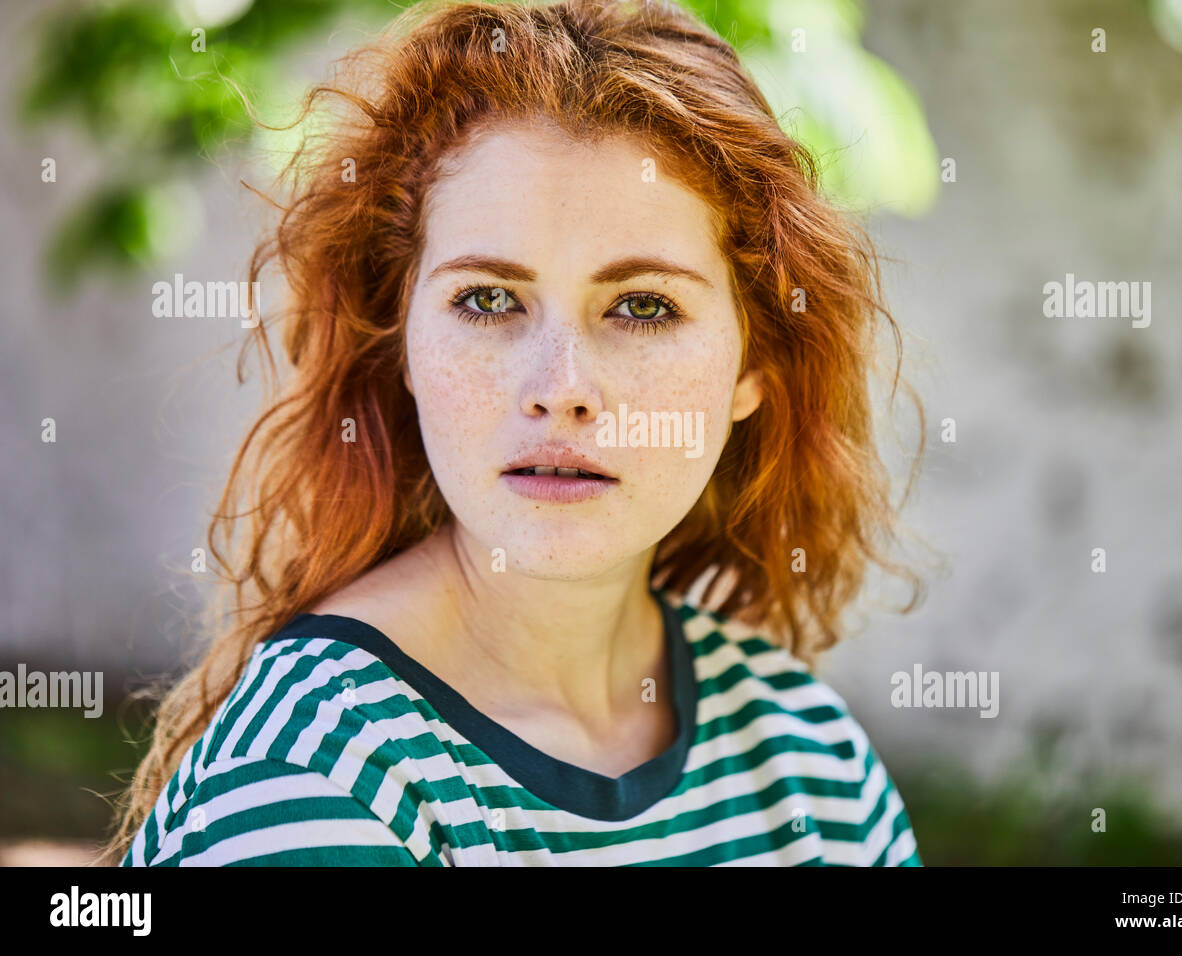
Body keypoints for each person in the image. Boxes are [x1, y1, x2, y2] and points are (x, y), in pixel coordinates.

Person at [102, 0, 927, 866]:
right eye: (488, 299)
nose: (561, 389)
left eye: (643, 306)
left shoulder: (810, 763)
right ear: (405, 342)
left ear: (754, 368)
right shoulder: (321, 779)